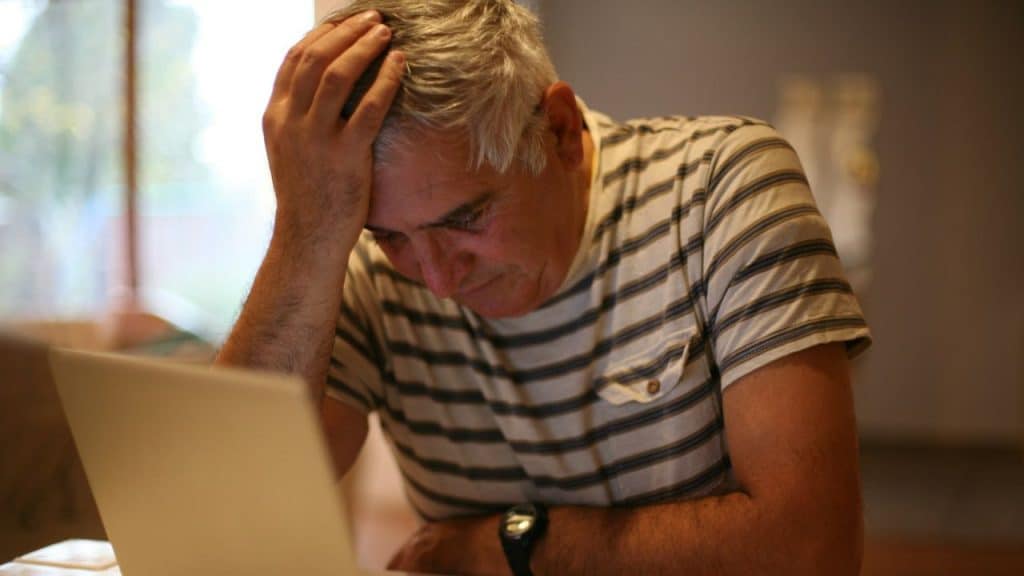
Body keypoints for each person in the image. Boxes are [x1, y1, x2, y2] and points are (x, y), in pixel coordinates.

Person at [216, 1, 871, 574]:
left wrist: (509, 547)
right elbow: (231, 502)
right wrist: (306, 230)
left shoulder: (722, 190)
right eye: (390, 235)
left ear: (559, 132)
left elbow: (810, 550)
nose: (437, 280)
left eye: (465, 219)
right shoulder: (374, 273)